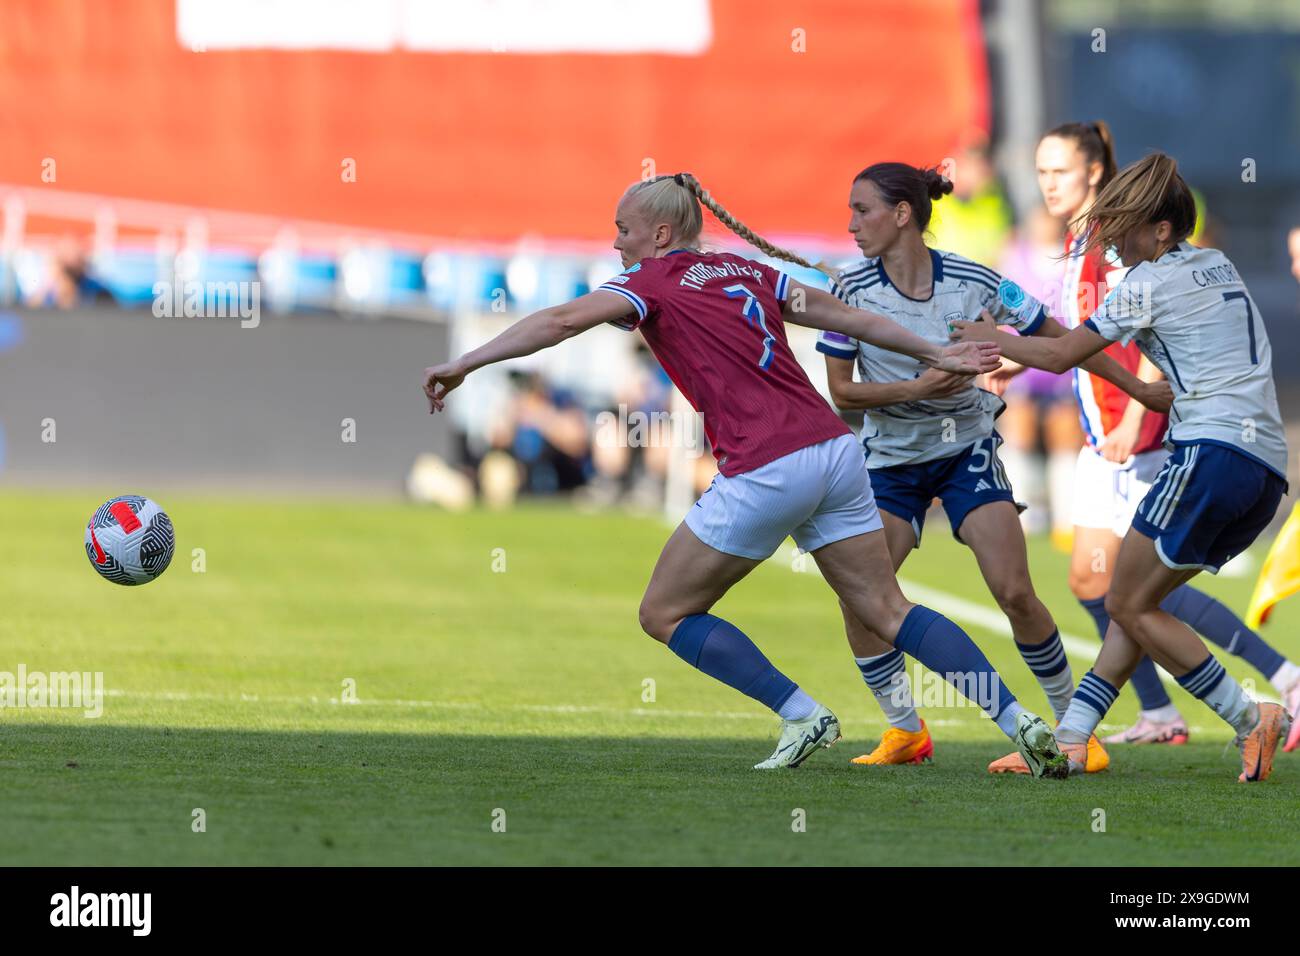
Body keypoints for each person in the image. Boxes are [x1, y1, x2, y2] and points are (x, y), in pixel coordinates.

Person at [424, 172, 1070, 776]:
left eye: (623, 228)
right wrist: (933, 349)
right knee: (886, 607)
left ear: (660, 234)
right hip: (835, 452)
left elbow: (560, 320)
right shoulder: (746, 268)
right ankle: (1019, 721)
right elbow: (847, 316)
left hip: (767, 465)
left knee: (665, 612)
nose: (615, 241)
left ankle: (802, 713)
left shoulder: (649, 281)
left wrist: (466, 363)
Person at [815, 162, 1168, 771]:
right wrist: (921, 386)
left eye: (861, 210)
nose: (851, 224)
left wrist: (1138, 389)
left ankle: (1071, 730)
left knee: (1014, 591)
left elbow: (1063, 341)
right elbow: (843, 394)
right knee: (862, 598)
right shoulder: (849, 291)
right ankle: (904, 729)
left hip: (966, 452)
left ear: (903, 215)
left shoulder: (978, 282)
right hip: (891, 465)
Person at [953, 152, 1293, 781]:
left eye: (1125, 226)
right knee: (1139, 604)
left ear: (1162, 229)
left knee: (1128, 603)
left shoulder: (1146, 282)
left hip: (1211, 457)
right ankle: (1075, 739)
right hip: (1265, 469)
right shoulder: (1215, 262)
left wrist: (986, 334)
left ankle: (1253, 717)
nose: (1111, 240)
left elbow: (1059, 355)